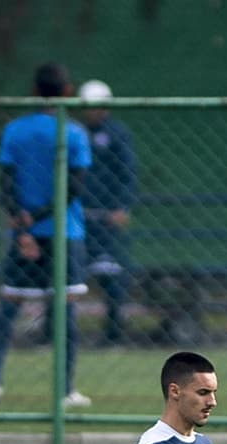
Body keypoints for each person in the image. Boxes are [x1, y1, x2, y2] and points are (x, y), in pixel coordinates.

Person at [0, 62, 93, 407]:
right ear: (67, 92)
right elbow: (73, 187)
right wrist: (41, 217)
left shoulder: (15, 130)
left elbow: (6, 181)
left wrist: (21, 223)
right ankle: (64, 390)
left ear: (33, 91)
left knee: (9, 305)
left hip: (24, 233)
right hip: (64, 233)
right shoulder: (73, 133)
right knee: (65, 309)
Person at [78, 79, 138, 347]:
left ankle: (113, 335)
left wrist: (121, 207)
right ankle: (53, 335)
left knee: (112, 278)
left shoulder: (117, 134)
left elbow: (128, 173)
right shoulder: (75, 133)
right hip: (78, 218)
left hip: (105, 220)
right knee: (65, 278)